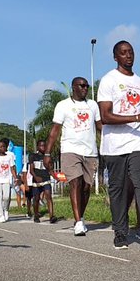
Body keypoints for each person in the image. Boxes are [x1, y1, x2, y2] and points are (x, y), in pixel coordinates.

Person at [98, 40, 140, 252]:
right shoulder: (108, 80)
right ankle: (120, 232)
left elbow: (138, 112)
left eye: (131, 52)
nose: (128, 56)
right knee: (118, 190)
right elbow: (105, 116)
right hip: (114, 145)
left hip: (138, 140)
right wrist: (137, 116)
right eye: (123, 53)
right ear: (115, 57)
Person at [45, 76, 101, 236]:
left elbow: (99, 127)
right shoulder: (63, 105)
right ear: (73, 87)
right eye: (81, 86)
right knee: (75, 182)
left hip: (90, 152)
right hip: (70, 150)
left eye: (86, 86)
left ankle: (81, 217)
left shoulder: (93, 105)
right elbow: (55, 130)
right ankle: (78, 222)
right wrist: (47, 154)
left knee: (86, 187)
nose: (85, 88)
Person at [27, 140, 57, 223]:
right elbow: (31, 170)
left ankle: (52, 216)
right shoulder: (33, 156)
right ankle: (36, 215)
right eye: (41, 146)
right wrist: (36, 177)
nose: (43, 147)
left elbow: (50, 170)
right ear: (37, 147)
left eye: (44, 146)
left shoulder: (48, 157)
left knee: (48, 196)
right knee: (36, 198)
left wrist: (55, 177)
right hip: (36, 181)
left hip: (46, 179)